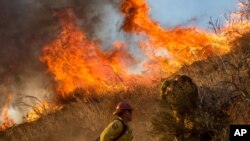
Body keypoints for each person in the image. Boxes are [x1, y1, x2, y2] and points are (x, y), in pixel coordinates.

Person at [161, 75, 199, 140]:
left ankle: (180, 137)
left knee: (180, 121)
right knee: (190, 118)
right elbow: (195, 93)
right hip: (188, 102)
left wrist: (164, 96)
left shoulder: (171, 83)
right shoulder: (189, 82)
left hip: (181, 104)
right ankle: (192, 133)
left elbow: (164, 91)